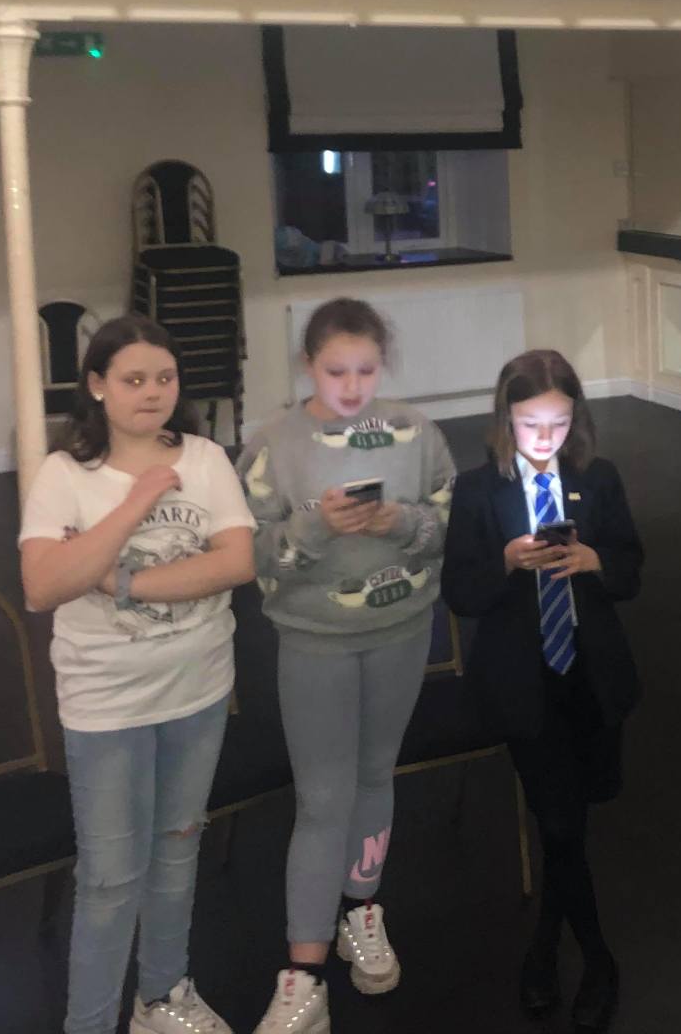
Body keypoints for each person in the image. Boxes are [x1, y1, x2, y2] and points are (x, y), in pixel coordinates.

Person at [18, 314, 256, 1034]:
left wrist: (117, 582)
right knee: (110, 880)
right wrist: (136, 502)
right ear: (97, 385)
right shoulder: (64, 474)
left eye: (164, 378)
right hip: (107, 706)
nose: (152, 392)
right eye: (133, 379)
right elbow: (44, 585)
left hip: (198, 690)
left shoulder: (206, 458)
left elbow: (236, 563)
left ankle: (161, 998)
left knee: (178, 853)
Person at [236, 297, 456, 1034]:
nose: (353, 386)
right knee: (322, 798)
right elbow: (251, 555)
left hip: (403, 630)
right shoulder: (272, 446)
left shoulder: (417, 433)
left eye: (366, 370)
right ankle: (303, 972)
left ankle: (362, 910)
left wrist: (402, 521)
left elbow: (446, 526)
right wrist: (315, 527)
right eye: (336, 371)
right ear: (308, 365)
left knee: (374, 776)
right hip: (314, 642)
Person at [444, 349, 642, 1034]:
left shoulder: (598, 478)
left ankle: (546, 941)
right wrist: (505, 561)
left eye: (558, 423)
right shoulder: (479, 490)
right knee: (557, 821)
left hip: (591, 676)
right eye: (531, 423)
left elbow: (631, 570)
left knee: (572, 822)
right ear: (506, 419)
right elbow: (460, 591)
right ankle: (596, 956)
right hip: (523, 682)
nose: (545, 437)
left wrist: (593, 559)